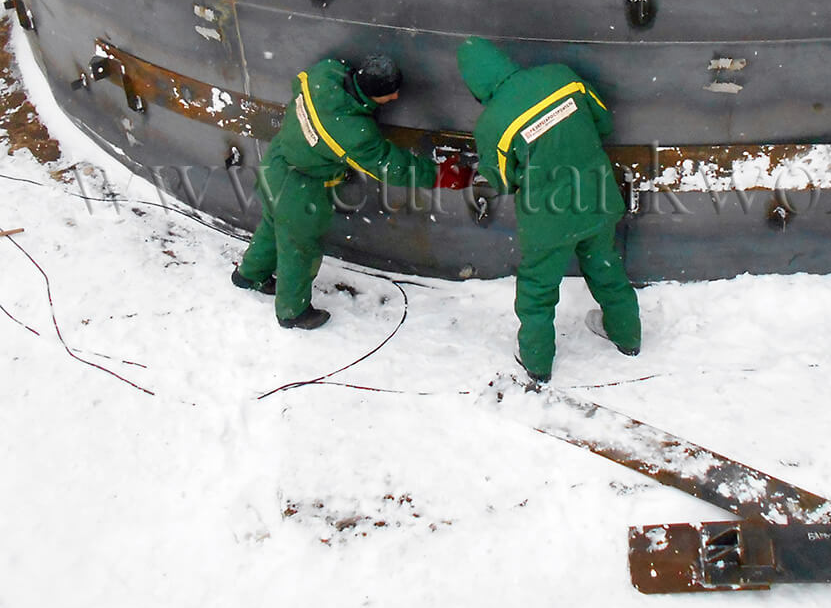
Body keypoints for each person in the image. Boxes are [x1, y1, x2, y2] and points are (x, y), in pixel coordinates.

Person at [232, 53, 471, 329]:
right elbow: (390, 166)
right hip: (301, 185)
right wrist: (440, 175)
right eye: (390, 94)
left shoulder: (324, 74)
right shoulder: (354, 133)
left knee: (273, 224)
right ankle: (292, 312)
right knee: (300, 249)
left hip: (277, 160)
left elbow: (302, 82)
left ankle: (250, 275)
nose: (395, 99)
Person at [456, 36, 641, 383]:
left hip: (548, 220)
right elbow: (604, 123)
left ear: (475, 84)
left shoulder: (492, 124)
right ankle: (628, 337)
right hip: (598, 199)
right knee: (606, 269)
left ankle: (536, 362)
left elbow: (500, 181)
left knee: (537, 292)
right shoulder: (562, 78)